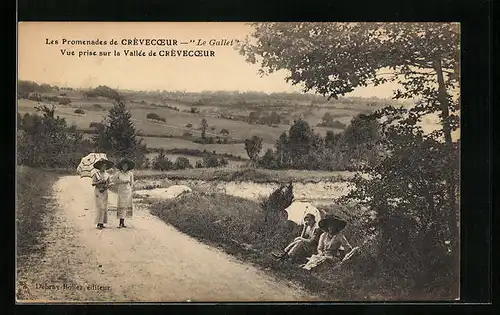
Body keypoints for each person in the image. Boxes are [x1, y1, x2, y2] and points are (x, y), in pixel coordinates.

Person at [111, 158, 135, 228]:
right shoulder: (118, 173)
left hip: (128, 191)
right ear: (121, 166)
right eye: (123, 166)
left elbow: (132, 183)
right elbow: (114, 180)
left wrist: (130, 188)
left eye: (126, 166)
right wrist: (121, 182)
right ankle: (120, 222)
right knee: (121, 205)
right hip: (121, 191)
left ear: (128, 167)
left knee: (126, 206)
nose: (125, 167)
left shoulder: (130, 173)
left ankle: (123, 222)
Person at [91, 158, 114, 229]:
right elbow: (93, 183)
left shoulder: (107, 175)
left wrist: (108, 185)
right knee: (100, 207)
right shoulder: (96, 174)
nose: (104, 167)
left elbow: (110, 183)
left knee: (104, 207)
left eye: (105, 166)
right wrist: (99, 181)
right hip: (98, 191)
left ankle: (102, 223)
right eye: (102, 166)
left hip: (104, 191)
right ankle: (98, 223)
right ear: (100, 166)